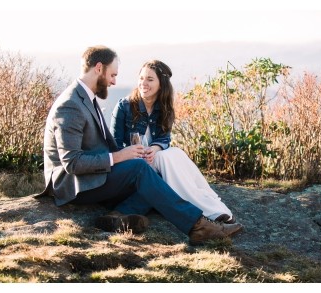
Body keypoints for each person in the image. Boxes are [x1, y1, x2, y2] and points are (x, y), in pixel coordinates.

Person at [36, 45, 243, 245]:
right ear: (99, 68)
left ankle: (117, 216)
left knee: (158, 176)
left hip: (93, 174)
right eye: (112, 75)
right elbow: (72, 163)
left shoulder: (87, 98)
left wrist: (126, 157)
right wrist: (119, 157)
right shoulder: (70, 105)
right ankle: (198, 227)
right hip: (72, 185)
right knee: (141, 170)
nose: (114, 82)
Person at [110, 60, 236, 223]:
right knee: (166, 167)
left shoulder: (164, 106)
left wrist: (154, 149)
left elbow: (164, 138)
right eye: (141, 78)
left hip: (153, 160)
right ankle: (204, 212)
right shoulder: (124, 106)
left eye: (149, 79)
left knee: (174, 154)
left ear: (161, 84)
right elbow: (115, 145)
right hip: (132, 166)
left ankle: (211, 206)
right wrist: (133, 156)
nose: (143, 83)